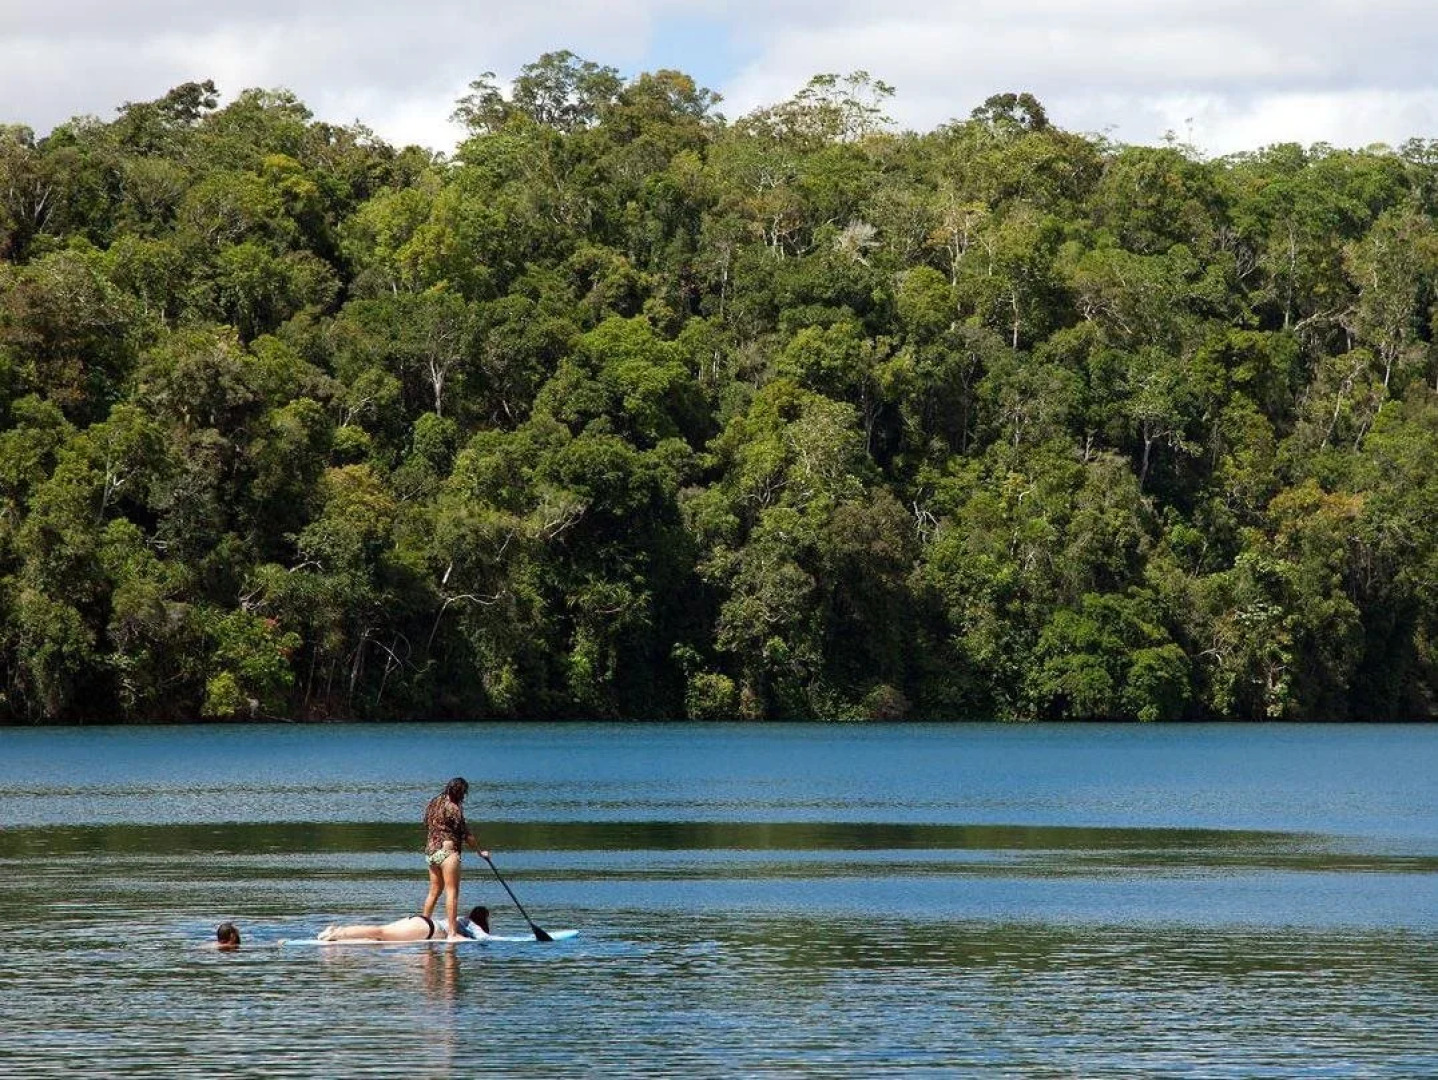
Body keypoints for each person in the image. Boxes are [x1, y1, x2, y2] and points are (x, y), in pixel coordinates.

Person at [420, 777, 489, 940]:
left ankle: (423, 926)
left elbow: (425, 823)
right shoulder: (454, 808)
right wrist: (480, 852)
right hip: (448, 853)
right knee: (452, 892)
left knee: (434, 891)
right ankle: (452, 933)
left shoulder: (433, 802)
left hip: (431, 852)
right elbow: (466, 834)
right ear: (461, 793)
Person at [318, 906, 490, 942]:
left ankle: (339, 936)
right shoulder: (471, 924)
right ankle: (338, 932)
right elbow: (485, 938)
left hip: (420, 922)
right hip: (427, 929)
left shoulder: (460, 918)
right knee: (381, 932)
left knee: (379, 936)